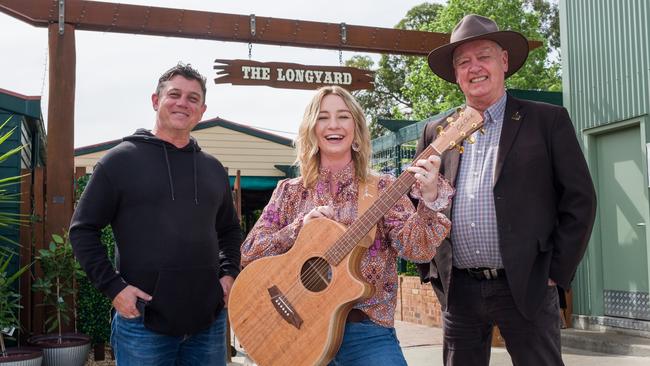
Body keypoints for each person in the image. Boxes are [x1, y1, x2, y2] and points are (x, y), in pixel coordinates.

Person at [415, 14, 597, 365]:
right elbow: (416, 205)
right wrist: (433, 272)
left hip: (527, 284)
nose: (475, 68)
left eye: (483, 56)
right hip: (460, 290)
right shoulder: (437, 132)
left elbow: (580, 201)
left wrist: (555, 272)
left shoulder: (548, 121)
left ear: (504, 61)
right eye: (463, 62)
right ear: (456, 74)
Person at [240, 85, 453, 365]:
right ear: (311, 128)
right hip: (296, 329)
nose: (333, 125)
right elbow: (249, 252)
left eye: (343, 116)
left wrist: (428, 201)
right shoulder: (289, 192)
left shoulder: (383, 188)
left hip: (367, 333)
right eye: (323, 116)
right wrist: (297, 229)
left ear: (356, 128)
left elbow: (417, 252)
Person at [69, 63, 242, 365]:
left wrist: (229, 273)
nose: (183, 103)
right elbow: (82, 230)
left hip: (208, 324)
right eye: (174, 94)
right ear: (155, 100)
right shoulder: (120, 162)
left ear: (202, 110)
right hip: (143, 324)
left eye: (192, 98)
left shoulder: (213, 169)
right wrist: (114, 288)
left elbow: (229, 230)